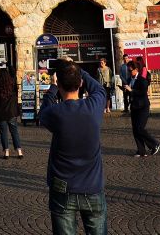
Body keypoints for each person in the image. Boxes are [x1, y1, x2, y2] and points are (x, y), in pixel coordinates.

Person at [39, 59, 107, 235]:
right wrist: (77, 70)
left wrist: (53, 88)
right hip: (92, 187)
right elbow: (99, 89)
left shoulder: (55, 113)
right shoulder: (94, 106)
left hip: (63, 187)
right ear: (81, 83)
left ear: (58, 83)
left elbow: (43, 112)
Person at [123, 60, 160, 157]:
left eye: (130, 71)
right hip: (134, 106)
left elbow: (143, 92)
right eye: (128, 70)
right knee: (135, 129)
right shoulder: (129, 79)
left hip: (143, 107)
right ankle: (141, 150)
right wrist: (125, 89)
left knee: (140, 128)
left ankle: (154, 144)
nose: (129, 72)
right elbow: (130, 92)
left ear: (136, 70)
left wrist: (132, 90)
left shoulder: (142, 79)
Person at [0, 66, 23, 159]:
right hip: (11, 113)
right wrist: (9, 66)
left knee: (3, 132)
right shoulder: (12, 87)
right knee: (14, 131)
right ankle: (19, 151)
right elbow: (14, 76)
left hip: (0, 114)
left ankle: (6, 152)